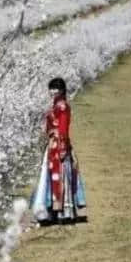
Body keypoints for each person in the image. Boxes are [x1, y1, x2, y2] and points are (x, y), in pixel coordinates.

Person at [30, 77, 87, 224]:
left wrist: (62, 147)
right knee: (51, 175)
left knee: (61, 175)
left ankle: (62, 211)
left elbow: (63, 129)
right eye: (51, 88)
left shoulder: (62, 106)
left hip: (59, 145)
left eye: (56, 88)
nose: (53, 91)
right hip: (51, 145)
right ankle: (51, 210)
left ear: (62, 90)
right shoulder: (55, 106)